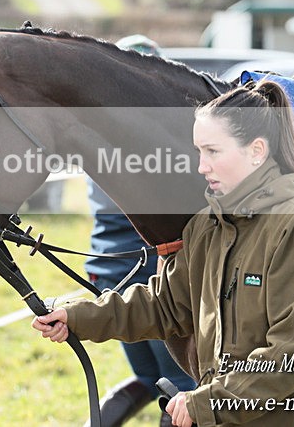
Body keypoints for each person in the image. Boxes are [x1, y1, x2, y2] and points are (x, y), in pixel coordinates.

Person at [34, 79, 294, 427]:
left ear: (256, 151)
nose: (201, 166)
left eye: (213, 151)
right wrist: (77, 316)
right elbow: (164, 306)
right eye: (199, 152)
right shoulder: (207, 226)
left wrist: (207, 403)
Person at [82, 34, 196, 427]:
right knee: (182, 385)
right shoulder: (155, 137)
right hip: (148, 266)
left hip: (105, 267)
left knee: (149, 378)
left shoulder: (96, 127)